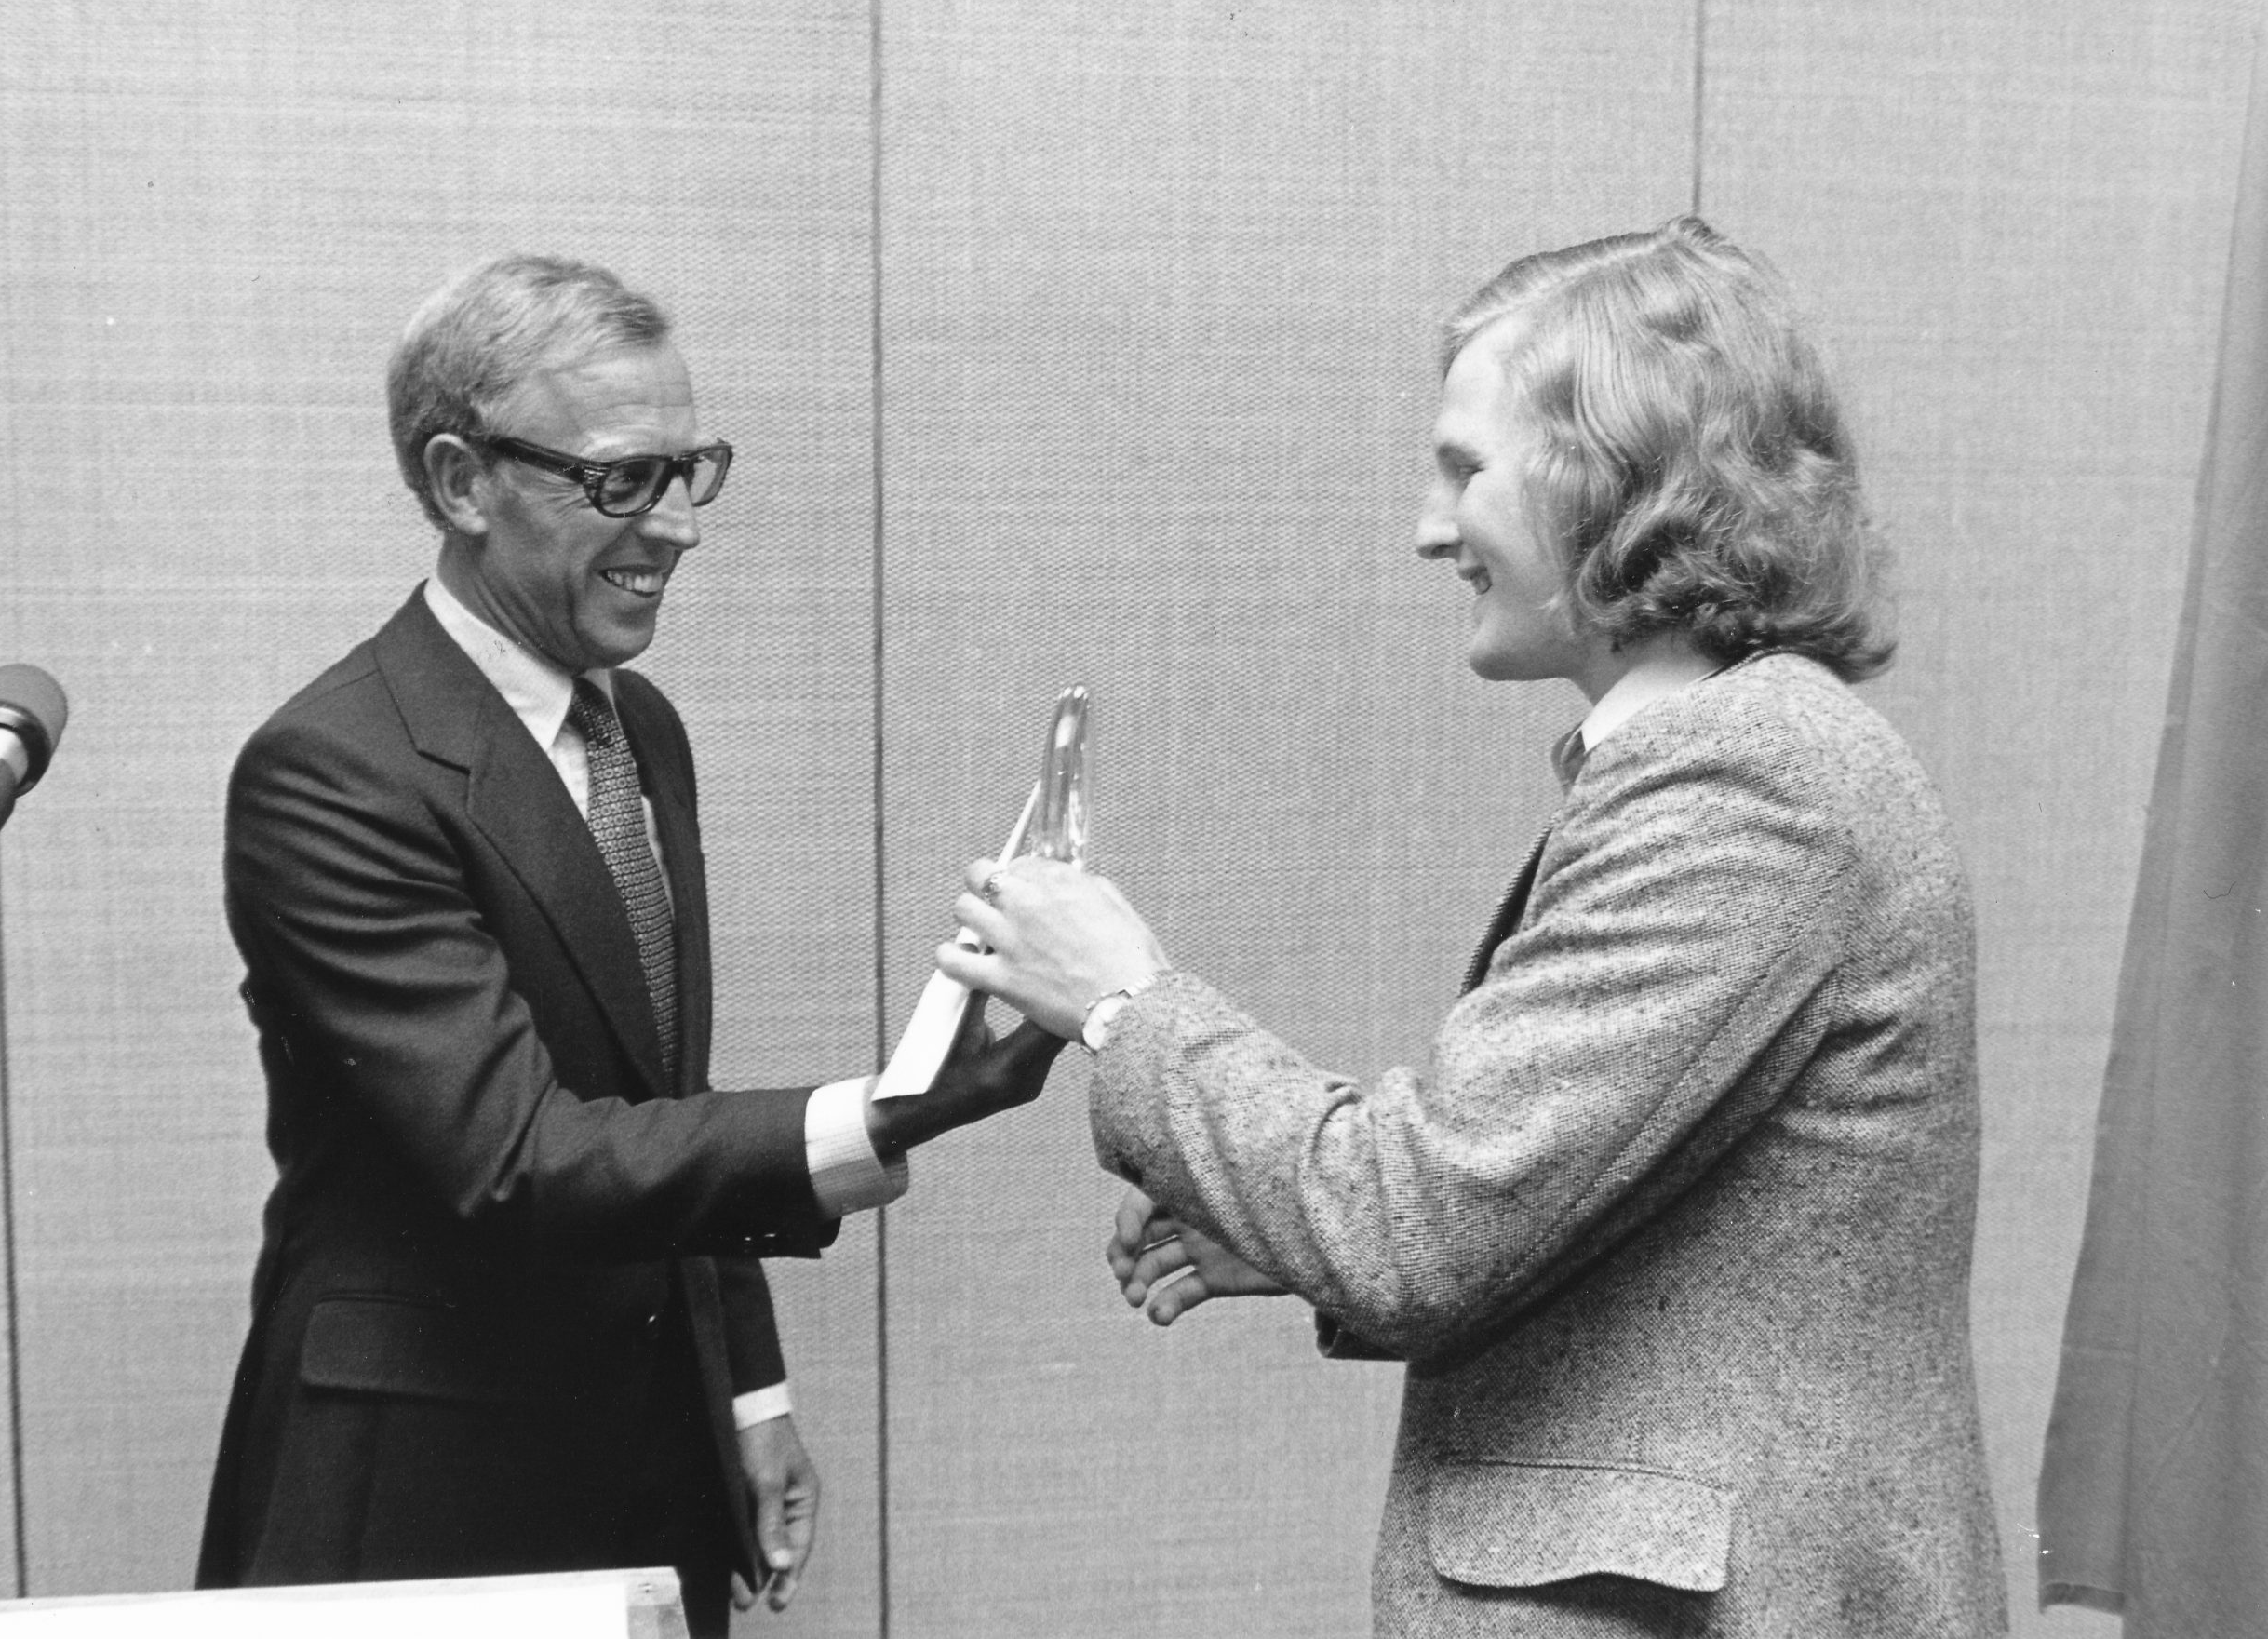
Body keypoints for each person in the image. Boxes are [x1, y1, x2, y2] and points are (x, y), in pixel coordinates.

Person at [941, 218, 2008, 1635]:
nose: (1430, 528)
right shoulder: (1740, 760)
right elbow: (1605, 1217)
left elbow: (1423, 1221)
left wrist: (1126, 1005)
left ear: (1612, 476)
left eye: (1465, 471)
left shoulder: (1748, 783)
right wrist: (1294, 1237)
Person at [195, 254, 1055, 1633]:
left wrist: (748, 1388)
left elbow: (653, 1106)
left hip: (648, 1466)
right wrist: (883, 1115)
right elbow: (518, 1157)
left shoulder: (635, 729)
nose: (679, 529)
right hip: (423, 1504)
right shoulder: (333, 772)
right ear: (462, 480)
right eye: (620, 480)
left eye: (688, 469)